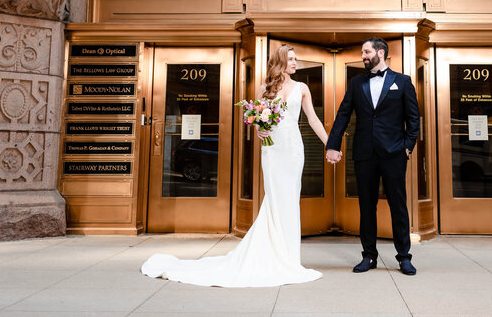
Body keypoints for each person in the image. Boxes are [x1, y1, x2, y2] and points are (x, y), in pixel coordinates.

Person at [141, 45, 328, 287]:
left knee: (290, 198)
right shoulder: (265, 88)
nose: (295, 63)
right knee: (274, 198)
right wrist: (259, 127)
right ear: (280, 61)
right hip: (271, 150)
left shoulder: (302, 88)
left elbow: (312, 118)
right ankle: (275, 252)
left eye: (295, 59)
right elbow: (253, 116)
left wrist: (328, 144)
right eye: (291, 59)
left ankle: (289, 257)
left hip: (292, 150)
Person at [325, 37, 420, 276]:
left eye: (366, 52)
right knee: (367, 206)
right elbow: (343, 114)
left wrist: (408, 145)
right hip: (364, 153)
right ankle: (368, 256)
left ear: (381, 52)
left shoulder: (403, 81)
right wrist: (332, 145)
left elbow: (414, 118)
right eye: (362, 52)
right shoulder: (357, 83)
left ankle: (404, 257)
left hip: (394, 153)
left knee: (398, 205)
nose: (363, 56)